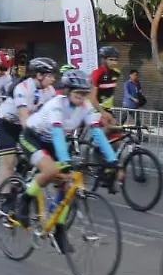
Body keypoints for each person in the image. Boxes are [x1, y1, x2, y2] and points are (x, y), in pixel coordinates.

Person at [18, 70, 118, 252]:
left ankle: (59, 231)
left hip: (53, 144)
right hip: (33, 137)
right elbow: (57, 133)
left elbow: (97, 132)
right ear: (67, 91)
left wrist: (112, 159)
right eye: (77, 94)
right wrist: (65, 160)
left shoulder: (86, 107)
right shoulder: (57, 104)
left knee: (67, 186)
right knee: (50, 171)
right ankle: (24, 200)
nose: (81, 98)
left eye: (84, 94)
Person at [0, 57, 57, 216]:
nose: (53, 79)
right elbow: (24, 119)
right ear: (39, 75)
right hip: (6, 125)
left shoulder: (49, 91)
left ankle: (21, 181)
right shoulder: (23, 88)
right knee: (8, 162)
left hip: (28, 126)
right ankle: (6, 202)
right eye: (50, 75)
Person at [90, 45, 122, 128]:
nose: (114, 63)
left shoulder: (117, 73)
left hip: (108, 110)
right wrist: (103, 113)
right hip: (95, 109)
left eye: (115, 60)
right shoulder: (97, 73)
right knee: (106, 130)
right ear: (104, 59)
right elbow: (93, 99)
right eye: (111, 60)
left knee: (118, 133)